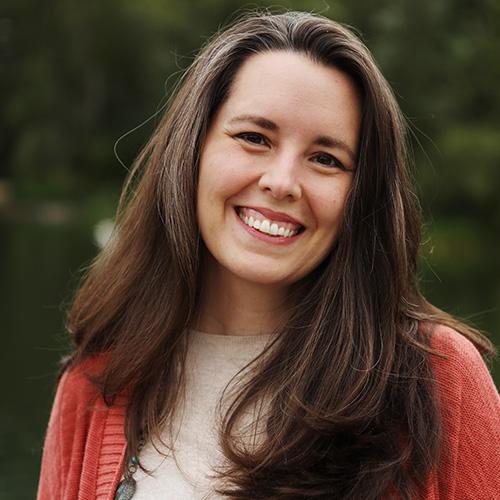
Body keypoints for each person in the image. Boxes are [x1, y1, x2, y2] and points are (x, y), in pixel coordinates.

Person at [37, 10, 500, 500]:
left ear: (362, 195)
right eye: (254, 138)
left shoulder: (434, 380)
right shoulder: (97, 379)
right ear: (192, 150)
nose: (281, 182)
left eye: (326, 159)